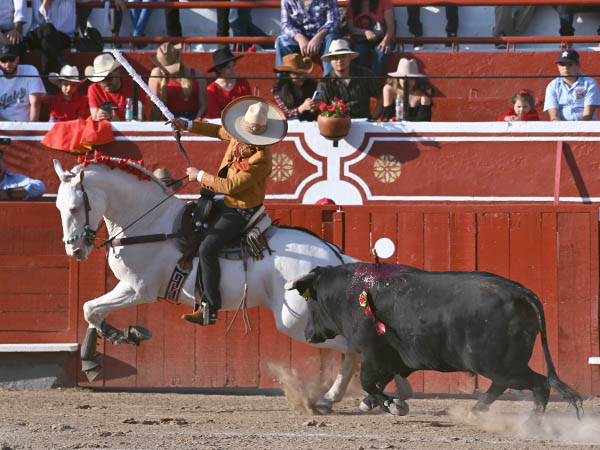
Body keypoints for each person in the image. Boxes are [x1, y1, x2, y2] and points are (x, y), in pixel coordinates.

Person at [167, 96, 287, 325]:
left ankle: (210, 307)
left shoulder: (262, 159)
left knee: (207, 248)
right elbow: (217, 130)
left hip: (242, 209)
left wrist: (199, 176)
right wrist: (187, 124)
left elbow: (231, 186)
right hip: (228, 201)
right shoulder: (238, 136)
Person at [316, 39, 382, 119]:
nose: (339, 61)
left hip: (363, 124)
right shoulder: (325, 82)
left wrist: (373, 119)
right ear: (330, 61)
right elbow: (322, 109)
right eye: (335, 58)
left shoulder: (365, 74)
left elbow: (381, 96)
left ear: (350, 57)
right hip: (337, 125)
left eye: (343, 56)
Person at [276, 0, 340, 76]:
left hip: (322, 39)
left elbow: (334, 21)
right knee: (281, 41)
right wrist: (299, 38)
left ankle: (329, 82)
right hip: (299, 41)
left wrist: (319, 37)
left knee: (331, 38)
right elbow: (286, 24)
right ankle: (282, 83)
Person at [149, 42, 207, 121]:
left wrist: (195, 123)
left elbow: (203, 105)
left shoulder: (197, 74)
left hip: (193, 119)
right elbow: (155, 106)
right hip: (171, 121)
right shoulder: (157, 74)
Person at [544, 49, 600, 121]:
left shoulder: (589, 83)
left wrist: (579, 131)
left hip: (587, 129)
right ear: (558, 67)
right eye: (562, 64)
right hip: (562, 129)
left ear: (578, 66)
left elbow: (588, 116)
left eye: (570, 64)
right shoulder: (552, 86)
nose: (565, 68)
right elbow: (554, 116)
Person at [26, 0, 75, 80]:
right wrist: (46, 2)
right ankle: (62, 63)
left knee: (47, 40)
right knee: (48, 28)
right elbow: (39, 18)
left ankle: (45, 76)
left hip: (62, 36)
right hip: (37, 35)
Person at [346, 0, 395, 76]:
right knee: (359, 52)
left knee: (381, 52)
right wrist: (365, 32)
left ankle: (372, 83)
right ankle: (364, 83)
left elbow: (391, 27)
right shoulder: (351, 3)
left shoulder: (385, 1)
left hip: (384, 38)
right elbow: (351, 28)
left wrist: (386, 41)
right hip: (361, 39)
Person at [0, 44, 46, 122]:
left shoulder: (30, 71)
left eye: (11, 59)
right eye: (4, 60)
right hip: (2, 128)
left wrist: (31, 128)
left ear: (17, 59)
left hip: (26, 128)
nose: (8, 64)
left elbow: (35, 103)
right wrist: (10, 128)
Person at [85, 53, 135, 122]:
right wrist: (99, 115)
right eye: (101, 79)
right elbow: (95, 117)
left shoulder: (133, 86)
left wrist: (119, 122)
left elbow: (139, 116)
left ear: (118, 71)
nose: (105, 83)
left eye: (108, 78)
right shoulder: (94, 89)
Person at [205, 47, 251, 119]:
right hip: (220, 125)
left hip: (241, 123)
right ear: (219, 70)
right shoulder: (212, 89)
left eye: (233, 65)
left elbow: (248, 108)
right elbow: (214, 115)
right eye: (228, 67)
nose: (233, 69)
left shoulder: (243, 83)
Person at [381, 58, 433, 122]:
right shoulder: (389, 89)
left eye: (411, 78)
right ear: (398, 78)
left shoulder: (424, 90)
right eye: (403, 78)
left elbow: (424, 120)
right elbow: (386, 117)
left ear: (416, 79)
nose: (408, 82)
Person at [271, 53, 319, 121]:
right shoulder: (278, 89)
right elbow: (282, 115)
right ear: (287, 76)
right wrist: (301, 108)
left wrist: (313, 110)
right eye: (296, 74)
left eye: (303, 73)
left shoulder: (313, 85)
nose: (301, 77)